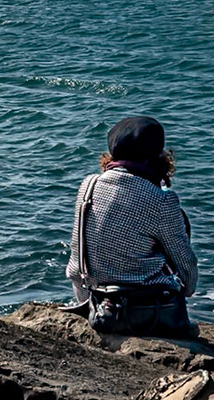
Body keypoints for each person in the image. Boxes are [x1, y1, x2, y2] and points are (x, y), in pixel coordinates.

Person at [67, 115, 199, 338]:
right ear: (157, 156)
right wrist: (186, 288)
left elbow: (75, 262)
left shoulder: (88, 186)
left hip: (99, 307)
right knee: (178, 223)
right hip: (148, 313)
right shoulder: (162, 200)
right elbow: (187, 272)